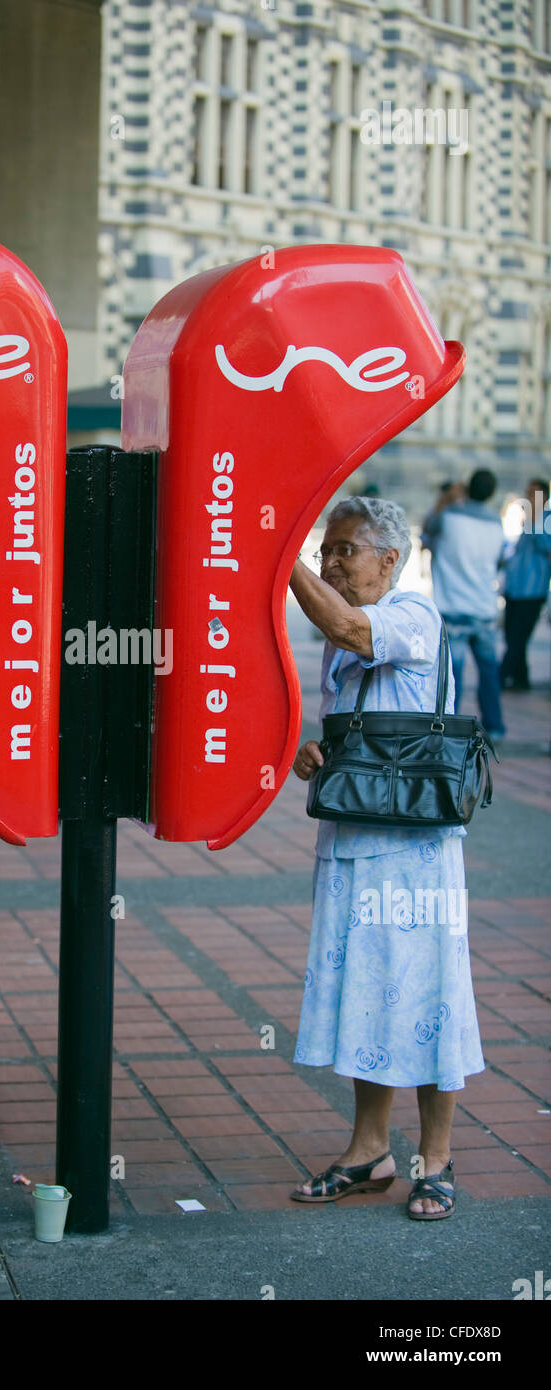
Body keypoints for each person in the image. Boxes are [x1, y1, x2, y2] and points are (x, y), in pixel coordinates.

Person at [288, 497, 484, 1220]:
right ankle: (367, 1149)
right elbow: (351, 732)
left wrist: (278, 560)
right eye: (325, 552)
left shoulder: (412, 615)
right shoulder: (346, 645)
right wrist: (319, 755)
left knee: (431, 992)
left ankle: (436, 1157)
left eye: (344, 551)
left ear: (389, 560)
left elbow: (344, 623)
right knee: (366, 992)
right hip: (355, 839)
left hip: (416, 851)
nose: (331, 563)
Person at [421, 468, 506, 739]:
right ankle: (495, 727)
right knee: (489, 672)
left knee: (452, 676)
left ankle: (449, 731)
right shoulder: (496, 523)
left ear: (466, 487)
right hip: (484, 609)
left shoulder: (449, 517)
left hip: (453, 608)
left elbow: (425, 533)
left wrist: (445, 500)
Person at [500, 479, 551, 691]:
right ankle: (521, 679)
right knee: (512, 635)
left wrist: (534, 520)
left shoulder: (545, 520)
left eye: (534, 494)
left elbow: (545, 546)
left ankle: (500, 677)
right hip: (515, 590)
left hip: (533, 591)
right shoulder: (528, 521)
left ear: (544, 497)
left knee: (517, 637)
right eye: (528, 493)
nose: (529, 497)